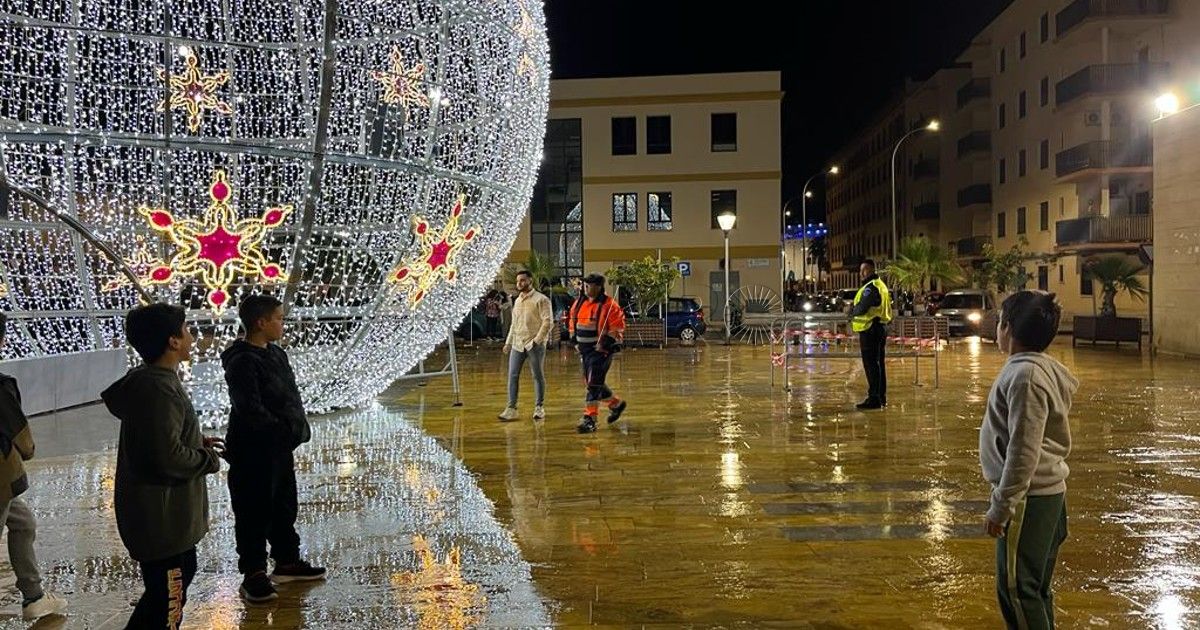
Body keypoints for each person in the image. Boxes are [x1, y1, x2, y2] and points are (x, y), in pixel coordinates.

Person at [102, 303, 223, 629]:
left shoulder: (152, 382)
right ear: (172, 341)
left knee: (166, 592)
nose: (190, 336)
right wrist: (207, 460)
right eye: (185, 329)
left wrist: (195, 441)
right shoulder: (160, 388)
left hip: (163, 518)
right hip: (163, 517)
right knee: (168, 600)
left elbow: (161, 440)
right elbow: (165, 457)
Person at [981, 291, 1077, 630]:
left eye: (999, 322)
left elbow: (1023, 449)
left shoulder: (1025, 377)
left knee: (1019, 590)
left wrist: (1002, 504)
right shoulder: (1036, 369)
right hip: (1041, 496)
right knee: (1032, 588)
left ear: (1007, 328)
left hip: (1029, 500)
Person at [221, 295, 325, 602]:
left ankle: (286, 560)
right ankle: (253, 571)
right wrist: (280, 431)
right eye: (278, 318)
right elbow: (249, 408)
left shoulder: (276, 354)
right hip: (254, 449)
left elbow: (289, 394)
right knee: (254, 508)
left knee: (282, 503)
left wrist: (293, 430)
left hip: (279, 447)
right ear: (260, 323)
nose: (283, 323)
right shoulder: (242, 361)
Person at [0, 314, 68, 622]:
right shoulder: (1, 386)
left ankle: (34, 596)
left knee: (23, 521)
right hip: (1, 478)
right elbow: (24, 443)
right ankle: (33, 596)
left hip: (6, 484)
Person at [566, 274, 627, 434]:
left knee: (593, 384)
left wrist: (607, 341)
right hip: (584, 351)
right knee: (593, 383)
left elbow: (617, 327)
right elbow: (573, 321)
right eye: (585, 286)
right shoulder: (579, 303)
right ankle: (616, 404)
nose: (586, 289)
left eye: (589, 286)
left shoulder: (610, 306)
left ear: (599, 287)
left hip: (601, 351)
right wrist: (574, 339)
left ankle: (590, 419)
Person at [498, 271, 554, 422]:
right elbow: (514, 324)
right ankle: (511, 408)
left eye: (522, 281)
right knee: (512, 375)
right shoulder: (517, 301)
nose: (519, 284)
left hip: (534, 345)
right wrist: (508, 343)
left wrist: (536, 341)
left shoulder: (541, 300)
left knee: (537, 375)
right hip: (517, 344)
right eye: (518, 281)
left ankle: (539, 407)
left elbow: (548, 322)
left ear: (530, 281)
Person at [848, 259, 891, 410]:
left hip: (870, 329)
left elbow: (863, 308)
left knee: (872, 366)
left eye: (864, 270)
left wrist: (851, 311)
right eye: (861, 270)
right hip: (879, 327)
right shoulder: (880, 285)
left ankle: (874, 399)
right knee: (878, 365)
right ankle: (880, 397)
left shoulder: (871, 287)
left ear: (871, 270)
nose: (861, 273)